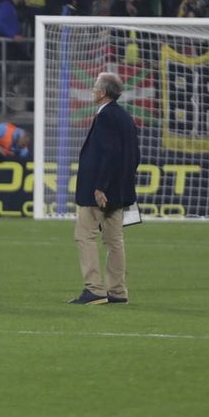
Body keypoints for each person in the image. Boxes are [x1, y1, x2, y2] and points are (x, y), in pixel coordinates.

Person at [69, 72, 139, 305]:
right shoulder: (126, 117)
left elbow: (108, 154)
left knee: (84, 236)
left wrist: (100, 187)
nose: (92, 90)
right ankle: (118, 292)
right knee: (114, 240)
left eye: (95, 87)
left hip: (98, 191)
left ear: (103, 93)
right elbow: (134, 156)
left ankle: (95, 290)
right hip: (119, 191)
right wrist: (121, 184)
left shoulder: (106, 117)